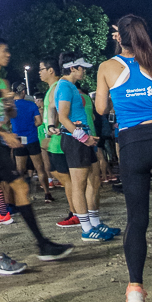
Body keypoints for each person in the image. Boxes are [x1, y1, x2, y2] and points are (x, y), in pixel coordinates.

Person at [95, 14, 152, 302]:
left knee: (137, 220)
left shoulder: (107, 67)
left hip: (131, 145)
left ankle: (135, 290)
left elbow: (101, 108)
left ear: (118, 37)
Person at [0, 38, 73, 266]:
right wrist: (3, 133)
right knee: (19, 186)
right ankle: (42, 244)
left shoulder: (2, 81)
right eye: (4, 50)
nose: (7, 54)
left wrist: (9, 107)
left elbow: (7, 115)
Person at [56, 53, 118, 242]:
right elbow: (63, 117)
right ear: (72, 68)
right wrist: (83, 137)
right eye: (81, 67)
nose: (84, 71)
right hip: (76, 141)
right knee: (79, 185)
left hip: (82, 139)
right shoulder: (65, 86)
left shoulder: (70, 87)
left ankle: (95, 223)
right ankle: (86, 228)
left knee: (93, 181)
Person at [38, 58, 79, 228]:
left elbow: (61, 112)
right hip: (54, 139)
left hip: (59, 139)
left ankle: (76, 213)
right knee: (60, 175)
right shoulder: (51, 89)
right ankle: (75, 211)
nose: (39, 72)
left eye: (41, 69)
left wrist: (53, 129)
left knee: (66, 178)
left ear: (51, 70)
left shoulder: (58, 87)